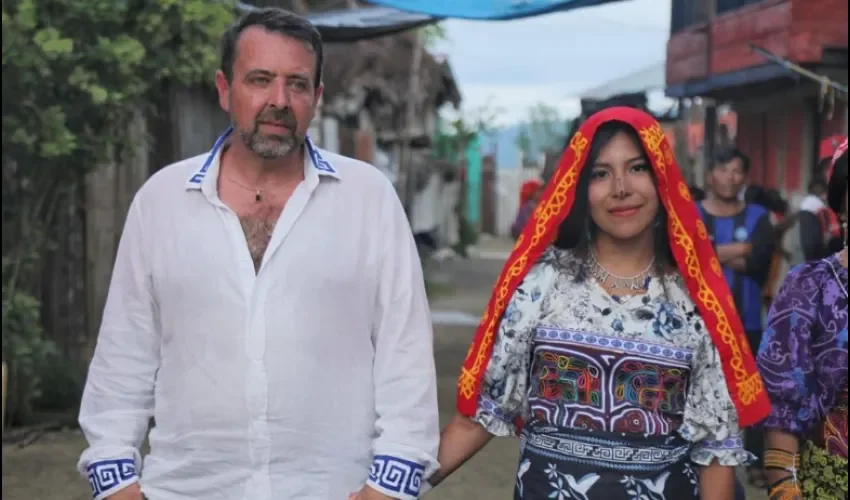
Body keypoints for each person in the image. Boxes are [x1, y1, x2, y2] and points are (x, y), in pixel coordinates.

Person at [76, 8, 439, 500]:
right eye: (260, 80)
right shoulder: (162, 201)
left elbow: (407, 358)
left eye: (297, 84)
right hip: (185, 490)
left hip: (332, 489)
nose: (278, 101)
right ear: (225, 89)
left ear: (317, 97)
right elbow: (123, 358)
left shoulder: (368, 198)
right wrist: (116, 481)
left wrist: (390, 486)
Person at [422, 107, 771, 499]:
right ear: (579, 187)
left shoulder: (695, 299)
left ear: (662, 180)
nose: (620, 187)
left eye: (637, 168)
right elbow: (480, 418)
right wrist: (390, 487)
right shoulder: (542, 284)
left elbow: (716, 450)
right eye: (601, 174)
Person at [757, 140, 848, 500]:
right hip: (829, 485)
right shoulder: (809, 286)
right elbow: (781, 402)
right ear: (842, 201)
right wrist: (785, 488)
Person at [697, 147, 775, 488]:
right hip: (702, 324)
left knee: (753, 394)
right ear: (710, 174)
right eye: (724, 169)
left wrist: (712, 253)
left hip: (749, 324)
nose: (731, 177)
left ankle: (754, 460)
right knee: (701, 392)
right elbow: (688, 261)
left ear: (745, 177)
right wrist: (739, 250)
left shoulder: (758, 216)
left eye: (738, 171)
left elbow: (759, 264)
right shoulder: (693, 214)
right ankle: (700, 460)